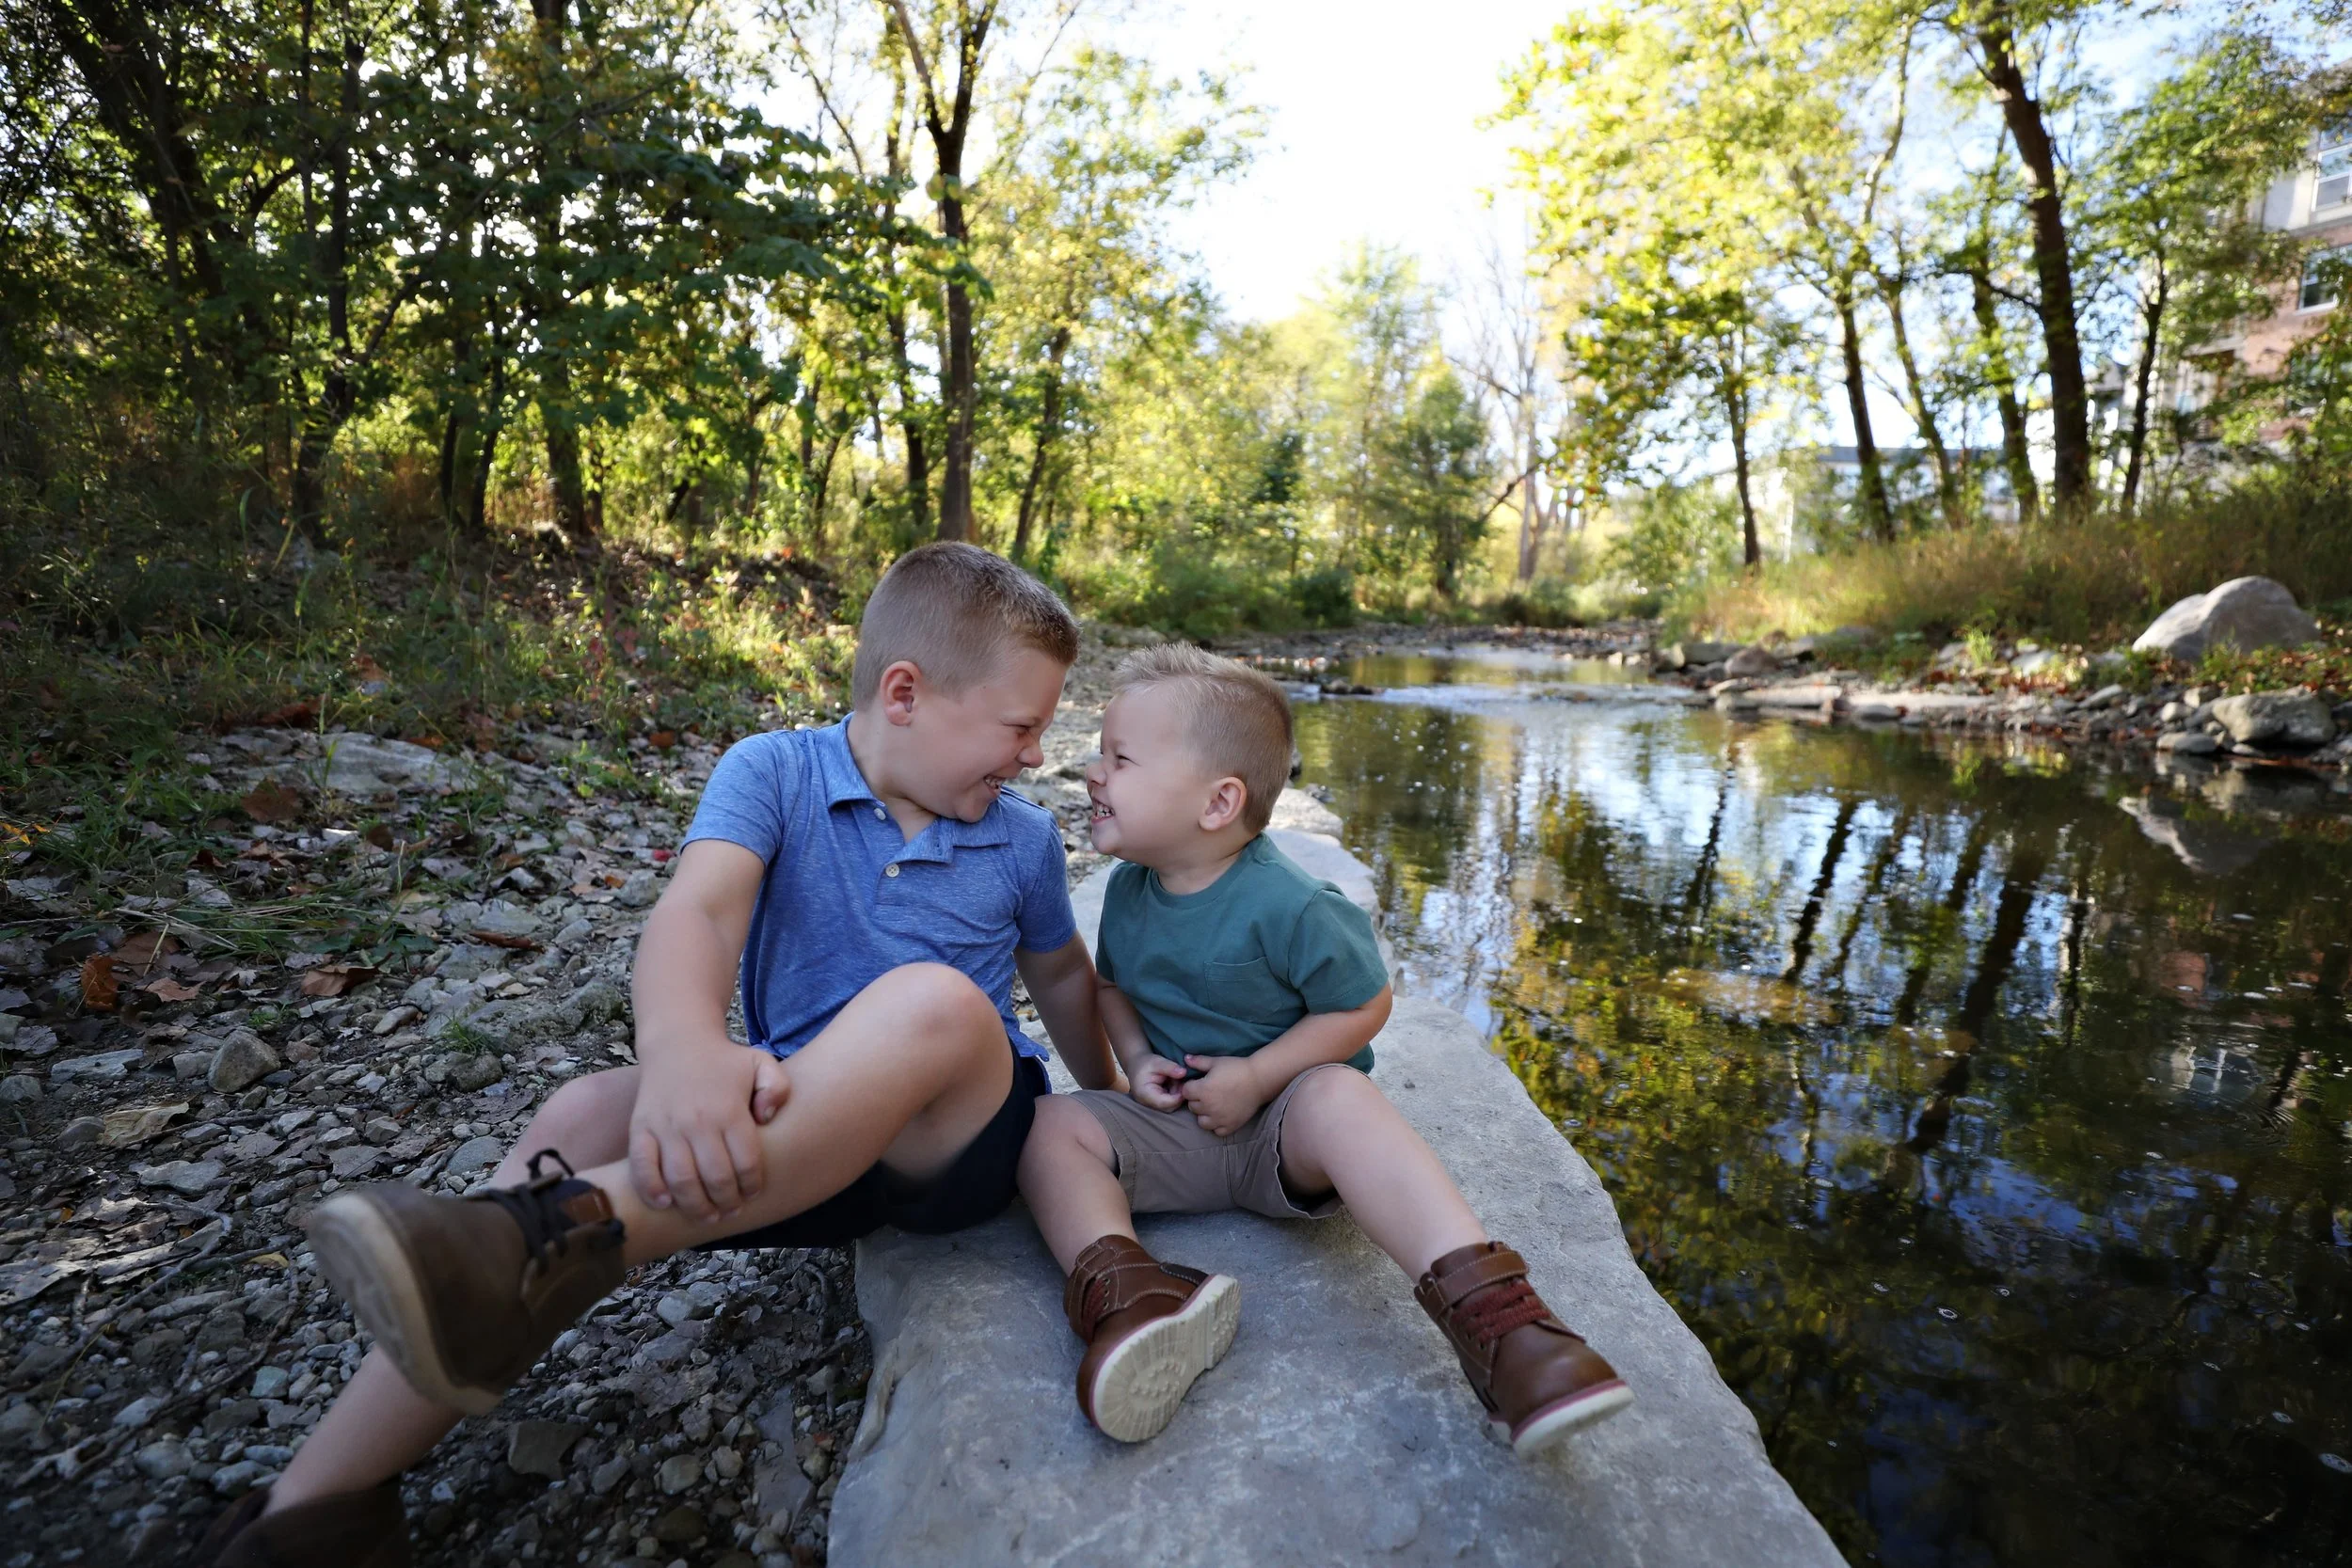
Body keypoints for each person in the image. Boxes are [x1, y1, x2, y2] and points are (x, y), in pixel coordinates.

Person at [198, 543, 1116, 1567]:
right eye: (1022, 726)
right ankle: (313, 1508)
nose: (1035, 756)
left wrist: (1118, 1100)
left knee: (937, 1001)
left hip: (950, 1144)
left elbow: (1065, 981)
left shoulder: (1021, 837)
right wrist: (683, 1049)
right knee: (581, 1113)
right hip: (796, 1138)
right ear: (905, 692)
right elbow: (703, 906)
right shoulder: (773, 770)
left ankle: (544, 1240)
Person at [1019, 643, 1631, 1451]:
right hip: (1179, 1131)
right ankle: (1135, 1296)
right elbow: (1112, 992)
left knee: (1342, 1095)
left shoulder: (1294, 904)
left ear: (1217, 802)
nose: (1092, 773)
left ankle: (1506, 1331)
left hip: (1282, 1129)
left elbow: (1365, 1002)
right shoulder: (1133, 889)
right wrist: (1136, 1064)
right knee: (1047, 1126)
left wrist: (1262, 1074)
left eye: (1118, 757)